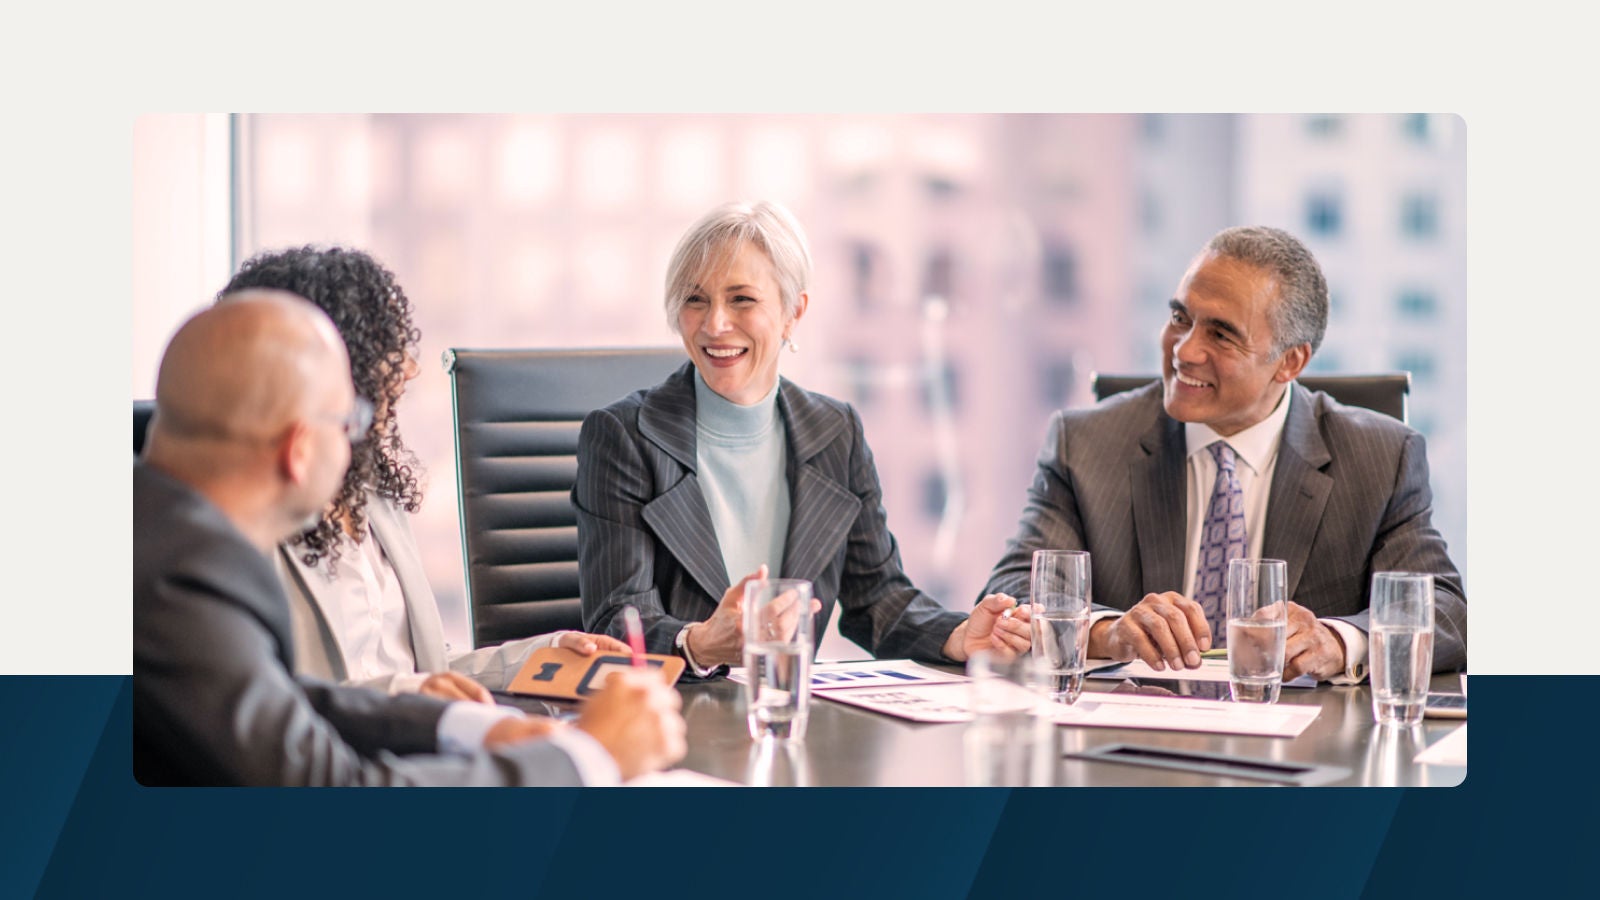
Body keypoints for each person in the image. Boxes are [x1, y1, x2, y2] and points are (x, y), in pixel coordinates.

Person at [134, 291, 685, 785]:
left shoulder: (155, 531)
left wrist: (458, 724)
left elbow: (278, 704)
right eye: (349, 418)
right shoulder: (180, 576)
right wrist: (589, 757)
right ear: (299, 450)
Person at [982, 225, 1466, 682]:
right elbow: (1009, 596)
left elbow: (1445, 611)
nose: (1184, 351)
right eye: (1179, 319)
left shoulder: (1380, 456)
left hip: (1304, 753)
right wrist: (1107, 633)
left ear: (1290, 361)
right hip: (1131, 743)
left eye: (1220, 334)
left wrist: (1338, 641)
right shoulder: (1085, 442)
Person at [574, 200, 1031, 676]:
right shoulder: (624, 437)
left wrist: (958, 636)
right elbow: (615, 622)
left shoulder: (836, 432)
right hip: (672, 719)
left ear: (793, 312)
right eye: (695, 299)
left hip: (789, 716)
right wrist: (700, 644)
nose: (714, 324)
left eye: (742, 299)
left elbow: (878, 599)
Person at [219, 247, 627, 702]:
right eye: (385, 347)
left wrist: (545, 655)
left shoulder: (373, 496)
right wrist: (411, 694)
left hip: (420, 740)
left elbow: (427, 665)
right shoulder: (245, 521)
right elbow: (264, 703)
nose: (410, 369)